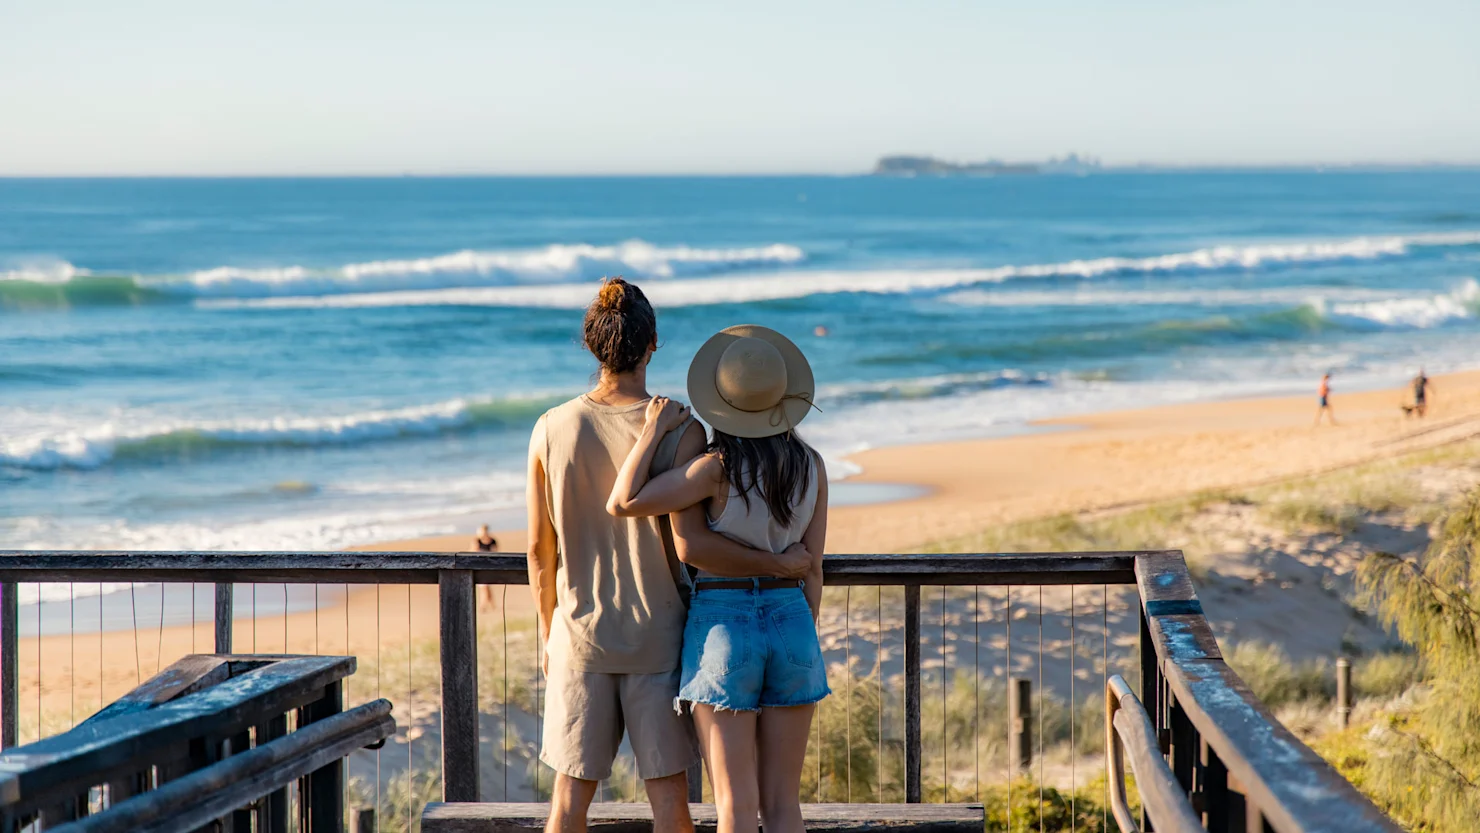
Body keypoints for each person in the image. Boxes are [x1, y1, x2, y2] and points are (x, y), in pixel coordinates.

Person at [526, 280, 812, 833]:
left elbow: (541, 552)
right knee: (670, 806)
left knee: (566, 806)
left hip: (579, 636)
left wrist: (548, 630)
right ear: (652, 342)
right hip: (660, 637)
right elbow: (691, 543)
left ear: (591, 345)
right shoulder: (683, 431)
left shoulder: (550, 428)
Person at [607, 325, 829, 833]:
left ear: (722, 403)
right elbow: (811, 563)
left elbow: (624, 502)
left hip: (722, 626)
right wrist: (799, 620)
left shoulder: (715, 468)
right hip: (793, 621)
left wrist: (650, 434)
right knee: (782, 806)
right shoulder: (811, 465)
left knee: (733, 805)